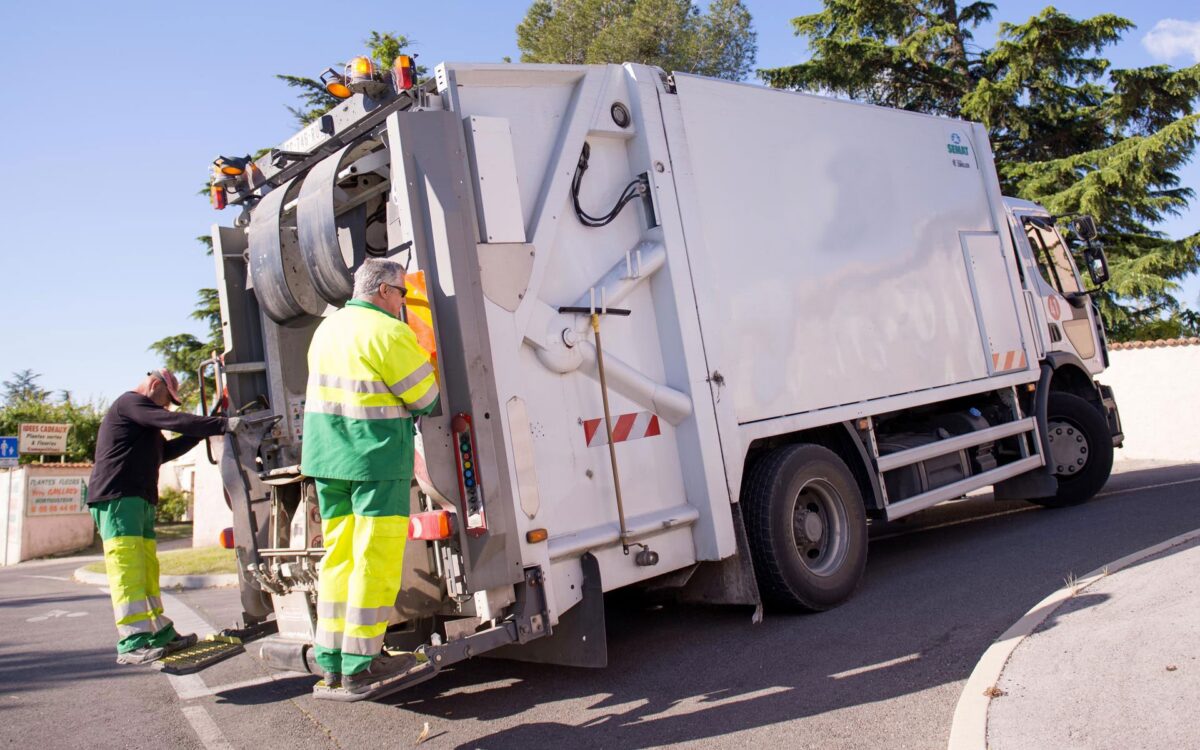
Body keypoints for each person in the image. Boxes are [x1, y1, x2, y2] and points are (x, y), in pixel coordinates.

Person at [303, 258, 439, 693]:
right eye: (401, 293)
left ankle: (331, 661)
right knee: (373, 561)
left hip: (328, 460)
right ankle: (360, 665)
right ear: (384, 291)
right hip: (374, 461)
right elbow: (426, 398)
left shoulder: (327, 329)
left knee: (339, 559)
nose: (403, 301)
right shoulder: (388, 331)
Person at [88, 368, 238, 664]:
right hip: (118, 499)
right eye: (167, 399)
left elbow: (166, 451)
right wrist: (223, 424)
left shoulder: (144, 424)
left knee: (146, 569)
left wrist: (207, 429)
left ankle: (159, 633)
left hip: (138, 499)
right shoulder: (130, 403)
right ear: (155, 385)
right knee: (127, 569)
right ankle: (132, 641)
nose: (167, 406)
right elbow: (174, 421)